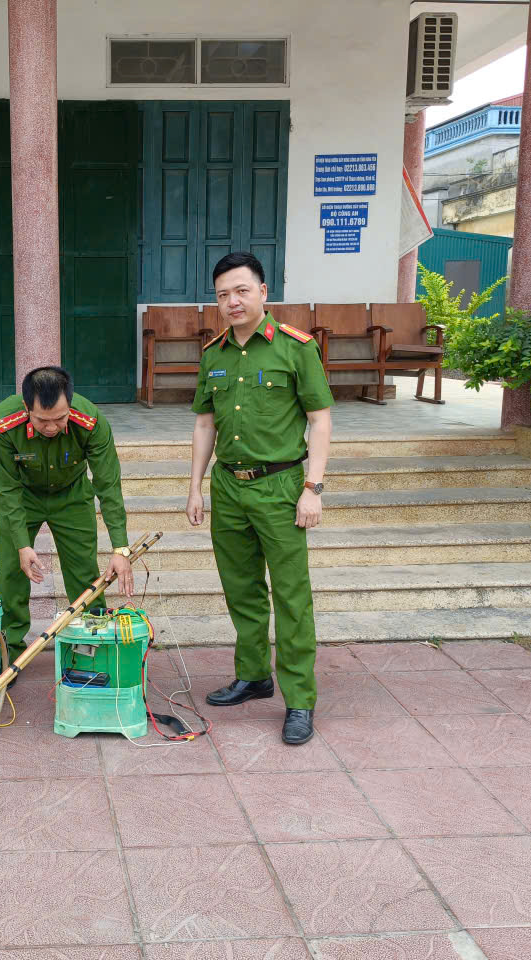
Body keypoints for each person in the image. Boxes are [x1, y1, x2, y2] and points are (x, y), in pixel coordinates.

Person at [186, 251, 334, 745]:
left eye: (241, 290)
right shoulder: (213, 354)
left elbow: (320, 420)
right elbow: (205, 423)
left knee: (291, 596)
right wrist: (196, 487)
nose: (232, 301)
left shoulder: (296, 348)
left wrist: (313, 488)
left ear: (264, 292)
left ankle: (299, 700)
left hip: (281, 486)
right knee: (241, 588)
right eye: (223, 294)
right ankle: (254, 676)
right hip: (229, 487)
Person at [0, 365, 134, 655]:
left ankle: (91, 647)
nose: (52, 427)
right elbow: (7, 488)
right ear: (27, 407)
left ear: (70, 403)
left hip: (72, 496)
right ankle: (10, 650)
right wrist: (21, 543)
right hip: (24, 497)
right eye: (43, 421)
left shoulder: (90, 421)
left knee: (83, 573)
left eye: (59, 418)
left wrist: (121, 548)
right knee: (11, 576)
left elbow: (108, 485)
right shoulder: (4, 422)